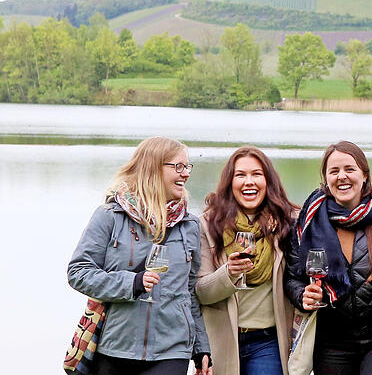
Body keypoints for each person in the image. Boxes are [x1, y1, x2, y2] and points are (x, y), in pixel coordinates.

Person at [67, 136, 212, 375]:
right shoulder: (110, 216)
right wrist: (131, 283)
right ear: (151, 167)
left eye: (187, 166)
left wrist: (200, 348)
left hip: (172, 350)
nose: (186, 173)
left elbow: (189, 291)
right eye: (178, 166)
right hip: (114, 347)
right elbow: (78, 272)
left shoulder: (190, 225)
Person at [284, 141, 372, 375]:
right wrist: (302, 295)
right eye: (334, 171)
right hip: (331, 339)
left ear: (364, 175)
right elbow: (292, 278)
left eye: (349, 169)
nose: (341, 176)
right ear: (326, 178)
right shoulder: (307, 222)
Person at [195, 147, 299, 375]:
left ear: (268, 181)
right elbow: (201, 292)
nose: (249, 182)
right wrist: (229, 273)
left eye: (257, 174)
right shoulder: (207, 224)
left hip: (268, 341)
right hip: (221, 340)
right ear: (229, 182)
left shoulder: (288, 222)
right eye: (240, 175)